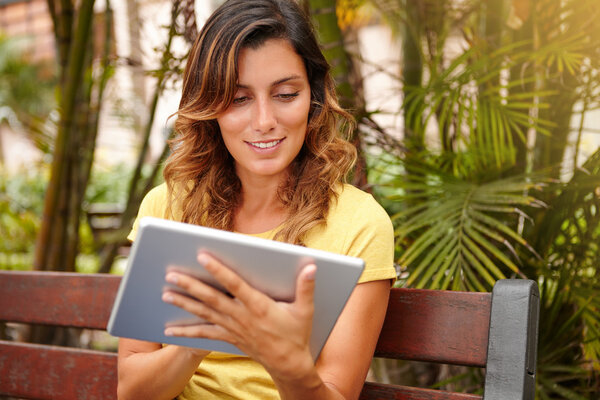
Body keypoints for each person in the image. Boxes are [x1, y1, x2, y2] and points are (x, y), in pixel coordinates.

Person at [117, 0, 396, 399]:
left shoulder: (358, 224)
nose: (264, 120)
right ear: (209, 106)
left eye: (285, 94)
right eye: (238, 98)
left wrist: (286, 362)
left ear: (313, 98)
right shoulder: (167, 208)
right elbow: (131, 391)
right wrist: (198, 339)